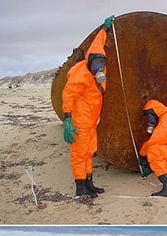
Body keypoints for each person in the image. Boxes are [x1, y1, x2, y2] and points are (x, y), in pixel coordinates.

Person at [62, 16, 115, 199]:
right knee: (79, 153)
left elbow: (98, 41)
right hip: (80, 120)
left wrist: (105, 28)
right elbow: (68, 95)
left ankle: (89, 183)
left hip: (92, 120)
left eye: (101, 61)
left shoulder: (100, 67)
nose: (99, 66)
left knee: (90, 151)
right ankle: (80, 187)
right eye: (96, 62)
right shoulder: (81, 74)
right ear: (89, 60)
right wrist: (68, 118)